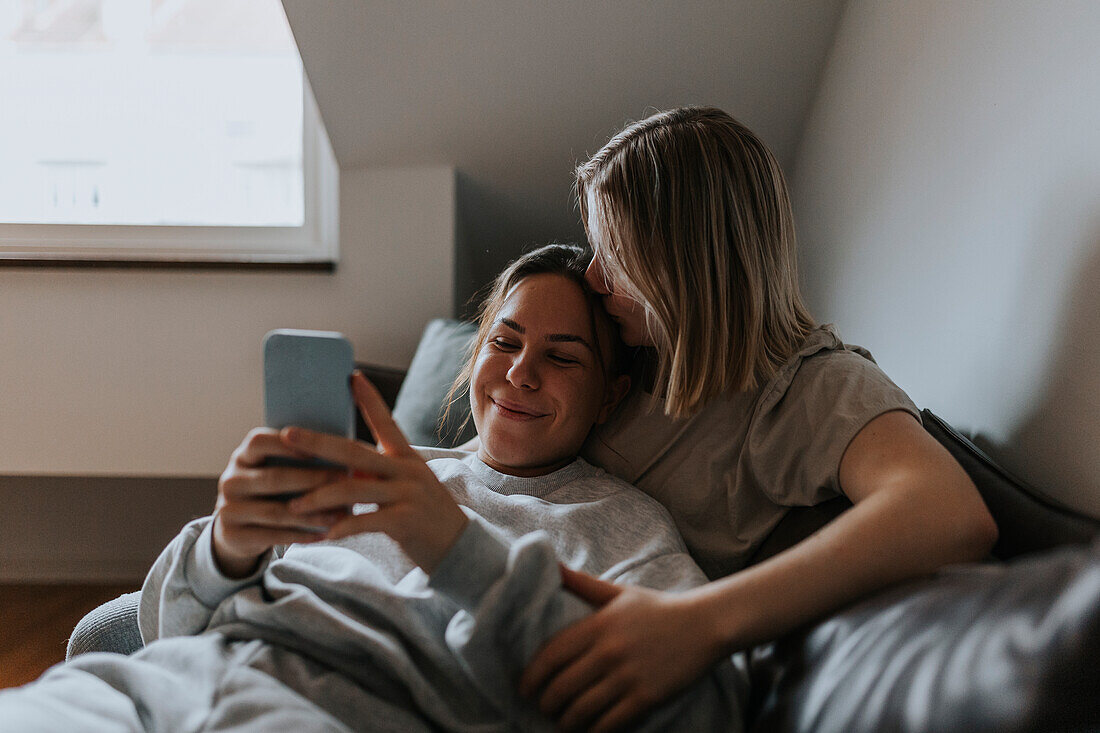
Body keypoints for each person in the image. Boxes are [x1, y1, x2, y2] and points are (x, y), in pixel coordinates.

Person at [0, 244, 745, 732]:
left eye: (562, 356)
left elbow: (698, 709)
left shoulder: (624, 526)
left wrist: (458, 552)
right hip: (171, 678)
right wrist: (221, 547)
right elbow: (162, 625)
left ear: (611, 395)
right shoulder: (366, 466)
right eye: (506, 341)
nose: (521, 372)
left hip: (332, 712)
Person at [503, 107, 1000, 731]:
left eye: (616, 252)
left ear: (683, 259)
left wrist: (703, 623)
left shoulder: (810, 387)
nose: (595, 274)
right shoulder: (629, 346)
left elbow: (948, 514)